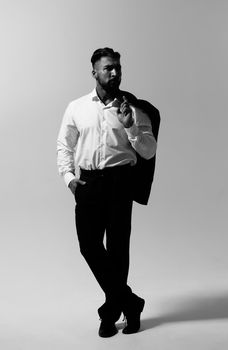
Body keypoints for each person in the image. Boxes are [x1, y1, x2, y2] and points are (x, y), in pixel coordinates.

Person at [57, 47, 160, 337]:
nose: (114, 72)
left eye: (117, 67)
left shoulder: (134, 109)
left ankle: (111, 312)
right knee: (88, 246)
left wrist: (131, 128)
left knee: (117, 251)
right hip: (88, 184)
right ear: (95, 73)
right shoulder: (77, 107)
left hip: (119, 184)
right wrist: (69, 178)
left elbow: (149, 151)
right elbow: (64, 145)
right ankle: (131, 302)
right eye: (108, 68)